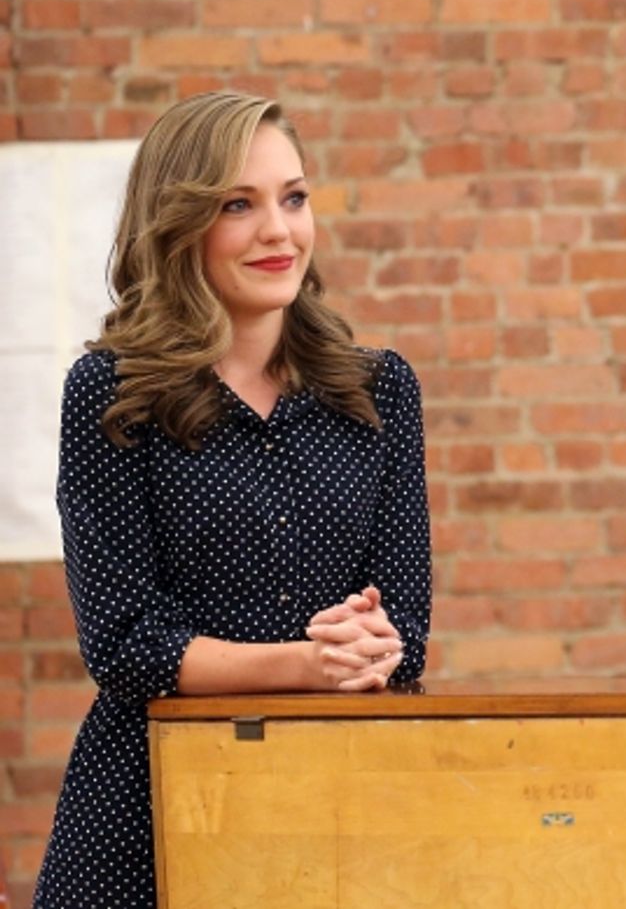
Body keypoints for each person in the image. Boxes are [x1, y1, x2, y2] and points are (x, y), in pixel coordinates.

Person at [35, 92, 433, 908]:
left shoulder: (380, 390)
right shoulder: (112, 394)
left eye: (293, 197)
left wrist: (376, 648)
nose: (279, 231)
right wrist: (303, 663)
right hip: (144, 815)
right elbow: (124, 645)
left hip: (335, 806)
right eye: (237, 205)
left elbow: (408, 633)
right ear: (179, 225)